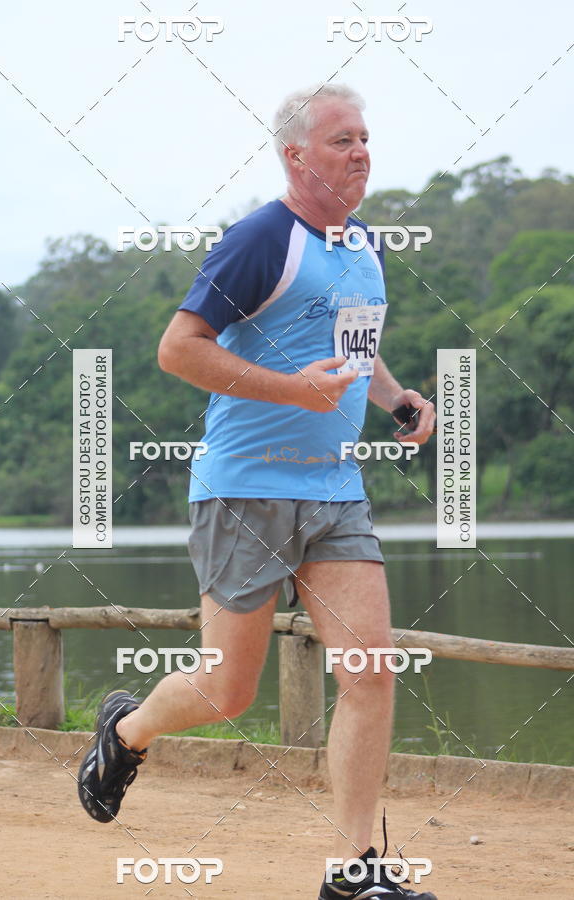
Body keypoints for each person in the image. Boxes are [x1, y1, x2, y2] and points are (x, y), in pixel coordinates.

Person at [77, 83, 437, 899]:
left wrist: (396, 400)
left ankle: (353, 871)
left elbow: (355, 349)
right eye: (342, 140)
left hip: (335, 489)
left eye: (365, 137)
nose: (361, 152)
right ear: (296, 155)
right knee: (227, 690)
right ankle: (126, 731)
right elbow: (178, 348)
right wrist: (290, 390)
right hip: (244, 490)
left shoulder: (365, 243)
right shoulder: (261, 239)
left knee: (371, 671)